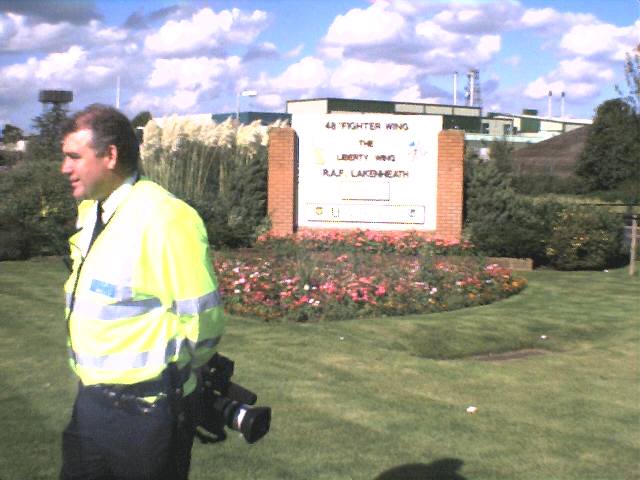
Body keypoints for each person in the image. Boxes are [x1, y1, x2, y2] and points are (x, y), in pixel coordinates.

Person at [59, 103, 226, 479]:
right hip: (91, 404)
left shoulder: (165, 217)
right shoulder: (93, 214)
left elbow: (203, 321)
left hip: (147, 414)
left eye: (74, 156)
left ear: (111, 155)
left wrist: (176, 381)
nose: (64, 168)